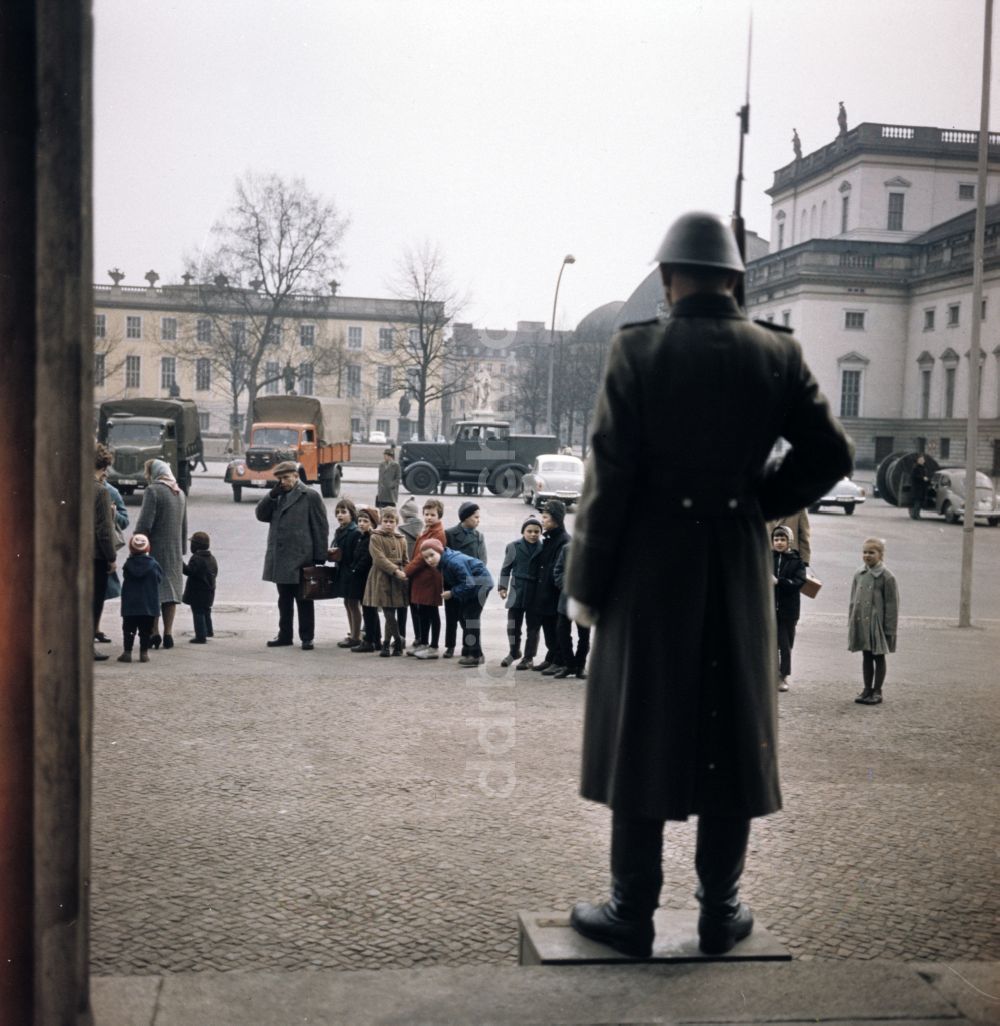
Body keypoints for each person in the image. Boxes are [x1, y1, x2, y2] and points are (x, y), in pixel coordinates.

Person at [565, 211, 853, 958]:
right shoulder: (775, 355)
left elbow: (609, 482)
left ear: (667, 278)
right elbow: (830, 452)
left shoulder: (638, 353)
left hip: (649, 574)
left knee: (641, 737)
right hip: (734, 570)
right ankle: (720, 914)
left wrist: (587, 585)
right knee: (731, 736)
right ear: (735, 278)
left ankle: (631, 912)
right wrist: (759, 502)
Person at [255, 460, 329, 650]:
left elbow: (320, 527)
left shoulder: (310, 495)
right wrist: (271, 494)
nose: (283, 482)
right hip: (281, 558)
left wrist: (320, 556)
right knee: (284, 600)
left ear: (296, 476)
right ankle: (285, 635)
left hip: (302, 557)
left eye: (286, 477)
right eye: (280, 479)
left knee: (304, 599)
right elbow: (260, 515)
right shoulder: (277, 496)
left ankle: (307, 637)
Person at [134, 458, 186, 650]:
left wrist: (137, 544)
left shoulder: (153, 490)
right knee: (171, 592)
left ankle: (155, 632)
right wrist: (182, 550)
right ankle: (169, 633)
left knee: (154, 591)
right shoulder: (179, 492)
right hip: (174, 550)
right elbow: (183, 526)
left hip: (154, 549)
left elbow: (145, 524)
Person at [417, 539, 493, 665]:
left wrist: (452, 593)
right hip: (473, 584)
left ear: (439, 551)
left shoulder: (453, 562)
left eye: (432, 555)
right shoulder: (443, 561)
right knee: (465, 618)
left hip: (481, 584)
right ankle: (474, 652)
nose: (429, 559)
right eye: (426, 558)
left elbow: (469, 583)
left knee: (470, 618)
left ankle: (475, 655)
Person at [848, 537, 899, 706]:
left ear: (881, 555)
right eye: (864, 552)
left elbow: (892, 605)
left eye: (872, 552)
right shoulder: (859, 573)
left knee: (878, 657)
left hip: (877, 625)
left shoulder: (887, 577)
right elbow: (853, 599)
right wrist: (852, 621)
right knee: (866, 655)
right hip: (862, 621)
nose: (867, 555)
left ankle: (877, 690)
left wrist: (889, 629)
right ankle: (866, 689)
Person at [402, 498, 447, 658]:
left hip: (430, 577)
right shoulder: (427, 530)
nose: (428, 517)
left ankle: (433, 646)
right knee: (422, 611)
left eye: (432, 514)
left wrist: (406, 571)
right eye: (426, 514)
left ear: (439, 515)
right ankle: (423, 642)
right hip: (420, 578)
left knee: (431, 611)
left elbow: (422, 557)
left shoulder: (438, 533)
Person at [529, 499, 570, 675]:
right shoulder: (550, 538)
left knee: (555, 628)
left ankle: (559, 660)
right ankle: (551, 657)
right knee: (548, 626)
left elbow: (557, 570)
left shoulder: (563, 540)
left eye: (545, 517)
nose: (542, 521)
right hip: (544, 592)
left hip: (553, 593)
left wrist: (553, 588)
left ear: (555, 519)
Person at [443, 501, 487, 659]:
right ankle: (450, 646)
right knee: (452, 616)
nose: (478, 520)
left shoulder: (478, 536)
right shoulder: (449, 533)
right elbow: (446, 558)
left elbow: (482, 560)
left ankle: (468, 648)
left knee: (468, 618)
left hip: (471, 584)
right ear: (465, 518)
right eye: (475, 517)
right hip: (453, 582)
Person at [497, 516, 543, 668]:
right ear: (523, 532)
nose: (533, 534)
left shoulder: (543, 548)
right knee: (513, 625)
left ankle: (529, 657)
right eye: (529, 531)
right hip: (517, 589)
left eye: (537, 531)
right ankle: (514, 651)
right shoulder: (513, 546)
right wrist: (503, 587)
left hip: (535, 592)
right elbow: (506, 568)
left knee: (533, 627)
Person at [364, 506, 408, 657]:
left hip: (398, 580)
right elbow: (379, 558)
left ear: (396, 523)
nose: (388, 524)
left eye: (392, 521)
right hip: (381, 577)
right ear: (381, 521)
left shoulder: (401, 539)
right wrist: (395, 570)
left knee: (392, 611)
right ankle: (396, 639)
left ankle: (389, 645)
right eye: (386, 521)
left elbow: (405, 559)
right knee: (388, 612)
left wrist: (406, 573)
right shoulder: (375, 537)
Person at [117, 533, 162, 663]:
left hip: (130, 605)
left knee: (128, 630)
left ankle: (127, 652)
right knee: (146, 631)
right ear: (148, 548)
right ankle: (144, 653)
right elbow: (159, 578)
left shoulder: (128, 564)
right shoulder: (154, 564)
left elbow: (126, 576)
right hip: (148, 604)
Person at [771, 526, 806, 692]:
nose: (779, 543)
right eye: (776, 539)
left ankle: (782, 675)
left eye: (782, 539)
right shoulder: (768, 558)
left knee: (787, 645)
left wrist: (779, 582)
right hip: (771, 610)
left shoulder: (796, 560)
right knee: (777, 644)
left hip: (789, 610)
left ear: (789, 541)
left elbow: (799, 582)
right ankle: (779, 676)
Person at [92, 447, 118, 662]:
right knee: (94, 601)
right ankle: (87, 646)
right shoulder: (100, 491)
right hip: (95, 556)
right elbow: (103, 530)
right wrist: (111, 557)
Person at [553, 540, 589, 680]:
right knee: (562, 633)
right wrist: (567, 586)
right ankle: (569, 665)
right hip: (566, 599)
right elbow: (558, 570)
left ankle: (581, 666)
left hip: (585, 600)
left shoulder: (595, 549)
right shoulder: (567, 548)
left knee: (584, 635)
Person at [330, 498, 363, 648]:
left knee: (353, 603)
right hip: (343, 571)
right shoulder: (341, 530)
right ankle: (353, 632)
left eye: (343, 512)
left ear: (352, 514)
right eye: (337, 512)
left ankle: (356, 637)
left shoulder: (354, 531)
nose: (340, 515)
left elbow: (355, 555)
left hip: (351, 573)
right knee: (347, 602)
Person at [349, 506, 382, 653]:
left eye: (365, 521)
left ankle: (369, 641)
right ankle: (376, 639)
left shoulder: (371, 538)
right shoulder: (362, 537)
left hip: (366, 579)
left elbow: (367, 558)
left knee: (369, 610)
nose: (361, 523)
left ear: (373, 524)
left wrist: (355, 569)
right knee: (369, 609)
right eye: (360, 520)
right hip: (362, 579)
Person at [182, 531, 218, 644]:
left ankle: (200, 636)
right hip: (209, 591)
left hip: (197, 592)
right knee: (206, 611)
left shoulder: (196, 558)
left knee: (198, 612)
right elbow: (215, 572)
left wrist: (180, 563)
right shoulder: (212, 558)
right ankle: (208, 630)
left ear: (195, 545)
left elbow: (189, 571)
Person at [909, 455, 930, 519]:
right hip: (917, 488)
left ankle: (916, 515)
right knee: (917, 502)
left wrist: (927, 480)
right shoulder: (915, 468)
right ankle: (916, 515)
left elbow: (925, 476)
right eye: (921, 460)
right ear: (918, 461)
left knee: (919, 502)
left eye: (923, 460)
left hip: (922, 488)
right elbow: (913, 477)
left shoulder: (924, 468)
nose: (922, 461)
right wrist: (922, 478)